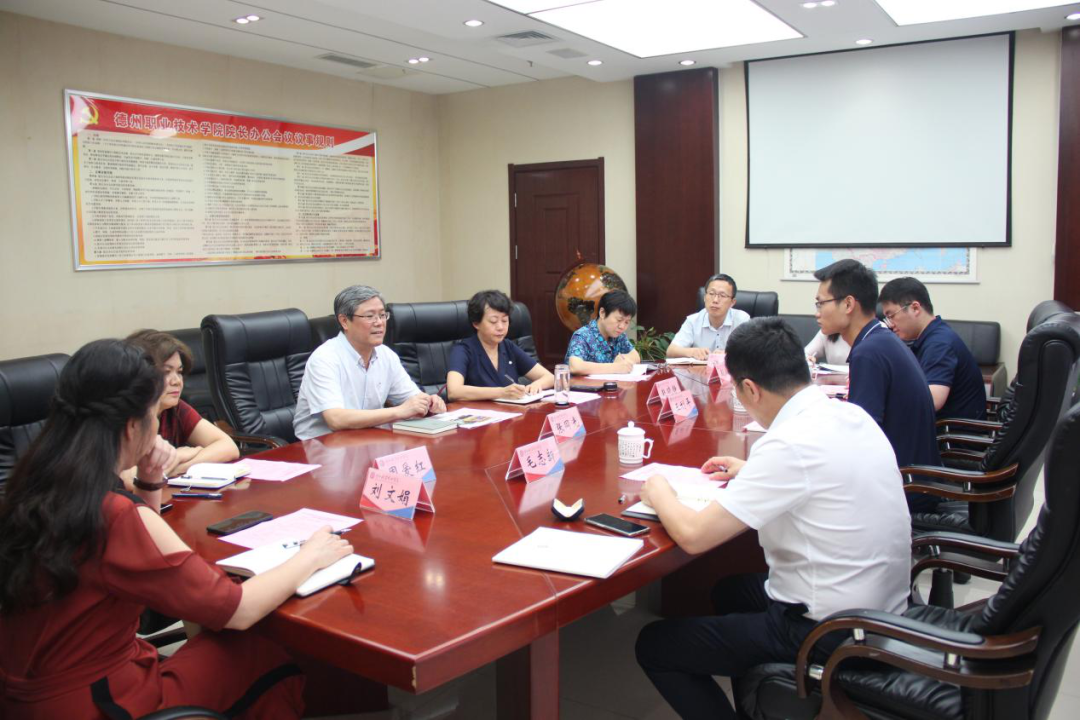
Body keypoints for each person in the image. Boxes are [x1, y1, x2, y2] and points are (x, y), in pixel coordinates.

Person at [0, 339, 353, 719]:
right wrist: (310, 556)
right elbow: (238, 609)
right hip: (99, 701)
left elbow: (137, 555)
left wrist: (150, 480)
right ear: (132, 426)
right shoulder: (110, 513)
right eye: (154, 415)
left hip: (28, 694)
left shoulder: (36, 484)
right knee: (260, 652)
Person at [635, 318, 911, 720]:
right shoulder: (850, 415)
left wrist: (659, 491)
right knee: (730, 592)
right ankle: (759, 702)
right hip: (883, 609)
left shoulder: (787, 444)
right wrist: (752, 472)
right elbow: (822, 475)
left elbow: (693, 536)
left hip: (828, 630)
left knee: (655, 646)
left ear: (750, 388)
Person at [813, 259, 941, 513]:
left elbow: (859, 438)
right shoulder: (881, 340)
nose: (816, 312)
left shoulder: (869, 353)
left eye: (820, 303)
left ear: (848, 304)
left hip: (902, 489)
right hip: (915, 478)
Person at [293, 284, 446, 440]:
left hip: (368, 439)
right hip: (320, 445)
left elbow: (411, 399)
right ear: (344, 321)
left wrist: (429, 403)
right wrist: (399, 411)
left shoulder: (386, 355)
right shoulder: (325, 359)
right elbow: (336, 419)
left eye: (382, 315)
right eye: (369, 316)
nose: (379, 322)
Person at [126, 330, 239, 476]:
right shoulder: (125, 414)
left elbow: (229, 447)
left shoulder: (175, 409)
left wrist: (179, 464)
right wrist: (176, 457)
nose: (177, 381)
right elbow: (128, 478)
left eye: (179, 372)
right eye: (166, 372)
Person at [879, 277, 987, 421]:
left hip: (951, 432)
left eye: (891, 316)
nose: (890, 324)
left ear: (915, 308)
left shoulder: (939, 344)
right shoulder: (932, 335)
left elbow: (932, 400)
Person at [446, 290, 554, 401]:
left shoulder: (508, 346)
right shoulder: (463, 350)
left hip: (511, 409)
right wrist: (501, 392)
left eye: (504, 320)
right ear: (476, 323)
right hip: (478, 410)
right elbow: (454, 391)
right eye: (493, 321)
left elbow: (550, 377)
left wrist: (536, 385)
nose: (500, 327)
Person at [666, 274, 750, 360]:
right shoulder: (693, 321)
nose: (715, 300)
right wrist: (692, 352)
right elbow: (671, 351)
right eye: (711, 293)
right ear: (704, 297)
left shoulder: (741, 320)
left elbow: (750, 352)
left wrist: (728, 355)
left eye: (722, 295)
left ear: (732, 302)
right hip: (700, 368)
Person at [565, 290, 641, 375]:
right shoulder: (582, 336)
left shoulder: (619, 335)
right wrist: (615, 367)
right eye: (619, 320)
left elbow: (636, 357)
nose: (622, 326)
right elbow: (575, 366)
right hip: (581, 384)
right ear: (602, 313)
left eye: (627, 322)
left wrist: (624, 359)